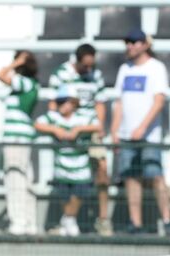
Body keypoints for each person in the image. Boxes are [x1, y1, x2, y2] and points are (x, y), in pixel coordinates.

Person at [110, 28, 170, 236]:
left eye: (135, 42)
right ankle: (135, 223)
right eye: (128, 42)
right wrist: (115, 130)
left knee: (156, 176)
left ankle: (167, 220)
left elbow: (159, 101)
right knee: (131, 178)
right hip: (127, 136)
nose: (130, 46)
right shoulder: (124, 69)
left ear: (145, 45)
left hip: (149, 136)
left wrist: (142, 127)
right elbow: (118, 103)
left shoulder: (156, 68)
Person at [49, 43, 112, 236]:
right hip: (68, 131)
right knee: (67, 175)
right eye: (85, 66)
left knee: (101, 170)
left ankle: (103, 219)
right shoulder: (61, 74)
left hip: (90, 129)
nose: (88, 70)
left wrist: (99, 126)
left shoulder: (96, 75)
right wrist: (58, 126)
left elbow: (100, 103)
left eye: (91, 65)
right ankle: (68, 219)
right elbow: (53, 103)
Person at [34, 85, 101, 237]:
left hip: (81, 166)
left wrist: (78, 130)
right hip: (61, 165)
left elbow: (98, 126)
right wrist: (55, 130)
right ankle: (69, 221)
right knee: (64, 195)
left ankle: (69, 219)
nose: (61, 105)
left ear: (74, 103)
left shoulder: (83, 117)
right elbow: (38, 124)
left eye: (64, 101)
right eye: (59, 102)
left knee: (79, 193)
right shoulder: (53, 117)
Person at [0, 50, 39, 235]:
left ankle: (19, 222)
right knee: (23, 178)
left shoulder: (24, 82)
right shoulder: (30, 84)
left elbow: (0, 75)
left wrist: (15, 63)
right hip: (21, 137)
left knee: (15, 178)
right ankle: (29, 221)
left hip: (16, 137)